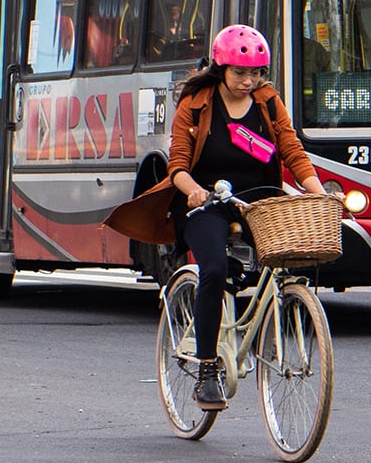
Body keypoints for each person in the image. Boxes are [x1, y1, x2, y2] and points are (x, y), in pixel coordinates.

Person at [100, 24, 326, 410]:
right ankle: (207, 368)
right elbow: (178, 165)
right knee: (216, 269)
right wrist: (194, 191)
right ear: (221, 69)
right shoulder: (196, 103)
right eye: (240, 73)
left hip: (259, 204)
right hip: (208, 204)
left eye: (256, 73)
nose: (248, 81)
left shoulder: (268, 102)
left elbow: (292, 149)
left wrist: (318, 192)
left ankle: (274, 316)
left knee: (299, 255)